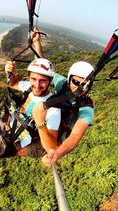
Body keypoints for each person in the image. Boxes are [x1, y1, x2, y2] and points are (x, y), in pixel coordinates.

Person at [31, 28, 95, 166]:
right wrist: (37, 42)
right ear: (69, 79)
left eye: (85, 85)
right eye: (76, 82)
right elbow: (44, 69)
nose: (79, 88)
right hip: (48, 123)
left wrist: (57, 153)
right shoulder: (62, 84)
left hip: (59, 138)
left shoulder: (86, 108)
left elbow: (75, 138)